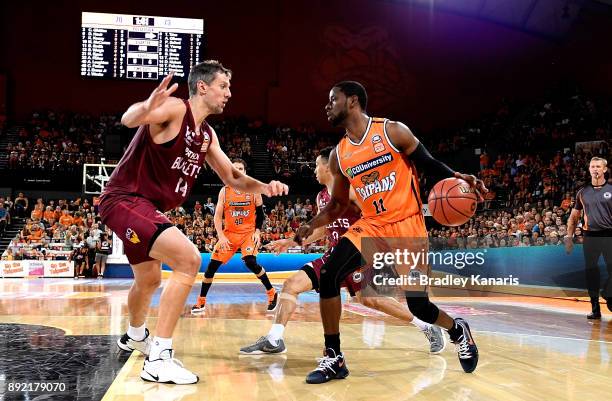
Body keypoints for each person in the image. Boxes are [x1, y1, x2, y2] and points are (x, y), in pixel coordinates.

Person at [99, 60, 288, 385]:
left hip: (146, 207)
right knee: (188, 259)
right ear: (203, 87)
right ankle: (159, 358)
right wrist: (145, 106)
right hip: (125, 199)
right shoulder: (174, 109)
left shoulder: (207, 135)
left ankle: (134, 336)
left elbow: (231, 177)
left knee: (148, 280)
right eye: (224, 86)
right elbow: (129, 119)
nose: (229, 93)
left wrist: (264, 187)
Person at [294, 81, 486, 383]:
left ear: (353, 101)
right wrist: (313, 223)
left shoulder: (392, 131)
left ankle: (456, 328)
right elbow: (339, 205)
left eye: (333, 99)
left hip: (408, 225)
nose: (327, 105)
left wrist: (459, 179)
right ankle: (335, 358)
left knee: (419, 305)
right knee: (330, 274)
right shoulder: (339, 155)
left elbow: (429, 164)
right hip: (372, 225)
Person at [239, 147, 445, 355]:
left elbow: (378, 217)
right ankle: (275, 339)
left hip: (359, 253)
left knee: (370, 300)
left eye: (317, 166)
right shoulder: (321, 197)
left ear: (328, 167)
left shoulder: (352, 190)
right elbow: (322, 230)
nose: (314, 171)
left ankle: (426, 325)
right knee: (291, 285)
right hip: (334, 255)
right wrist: (291, 242)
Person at [191, 158, 278, 314]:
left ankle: (272, 293)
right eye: (235, 169)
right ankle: (201, 302)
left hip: (248, 233)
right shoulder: (224, 191)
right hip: (229, 234)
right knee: (211, 268)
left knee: (250, 262)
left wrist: (257, 232)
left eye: (241, 169)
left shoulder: (254, 190)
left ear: (245, 172)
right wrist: (221, 236)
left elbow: (260, 214)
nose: (238, 171)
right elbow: (217, 216)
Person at [565, 157, 612, 319]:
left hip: (609, 234)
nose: (595, 169)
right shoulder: (582, 192)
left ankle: (608, 294)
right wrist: (569, 237)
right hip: (590, 236)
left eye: (598, 166)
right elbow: (574, 217)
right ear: (589, 169)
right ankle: (595, 309)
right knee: (591, 273)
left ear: (605, 169)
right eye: (592, 166)